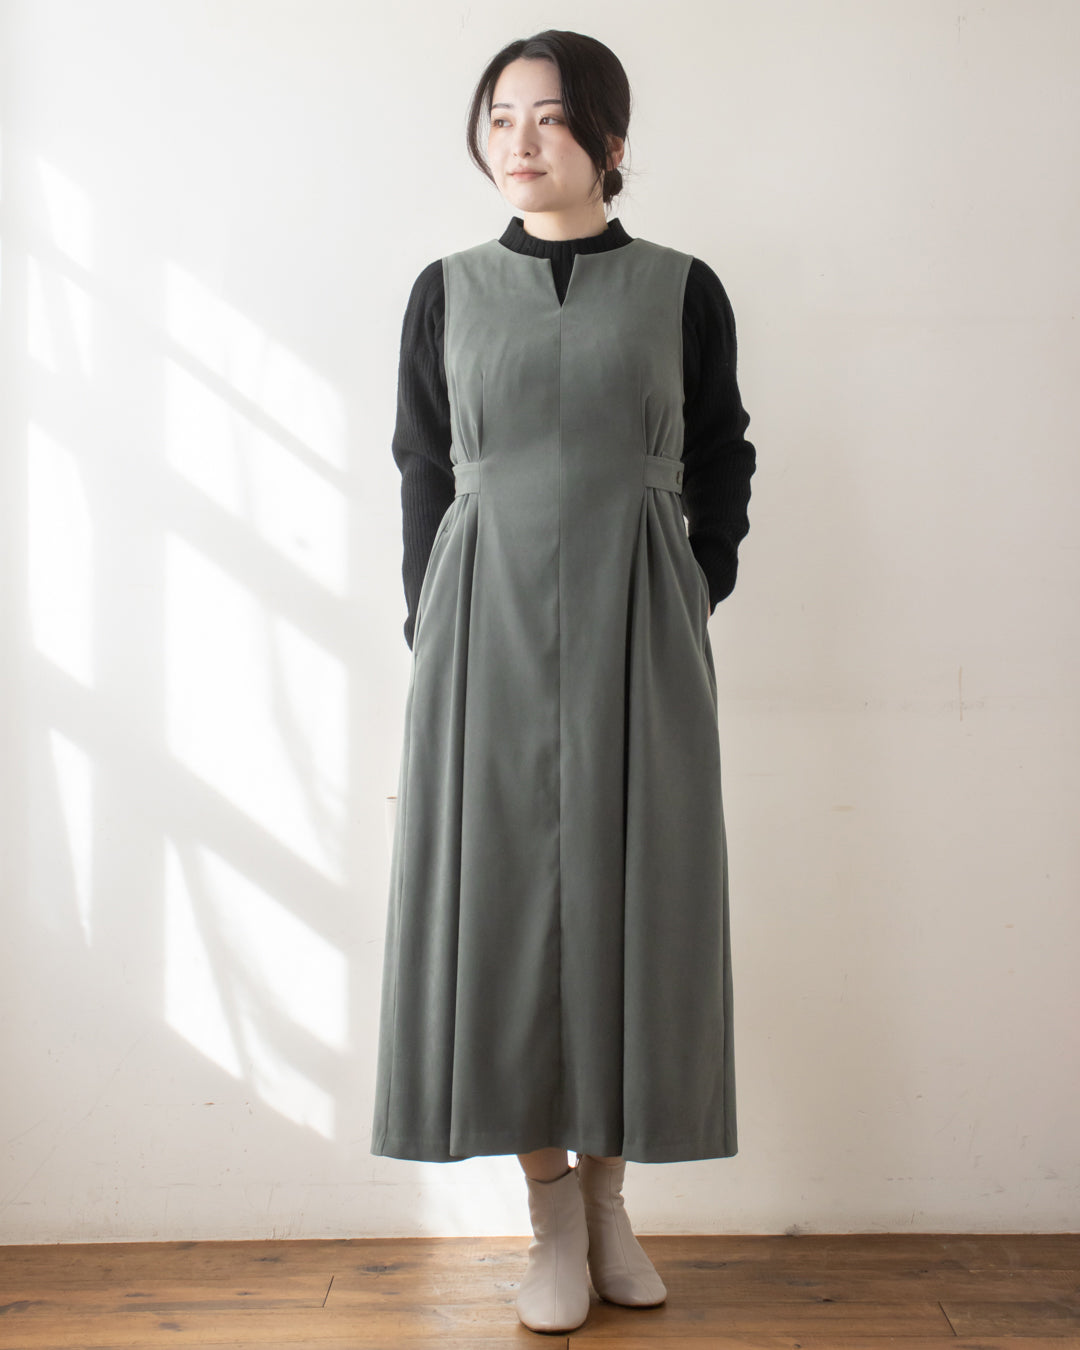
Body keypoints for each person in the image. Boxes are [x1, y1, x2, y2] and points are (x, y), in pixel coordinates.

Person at [372, 29, 756, 1335]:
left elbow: (722, 450)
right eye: (499, 118)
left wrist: (696, 579)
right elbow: (423, 463)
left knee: (637, 897)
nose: (520, 141)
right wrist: (431, 611)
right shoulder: (446, 290)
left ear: (610, 137)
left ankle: (609, 1204)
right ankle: (548, 1217)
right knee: (501, 912)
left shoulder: (682, 288)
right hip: (480, 627)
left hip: (641, 620)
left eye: (547, 116)